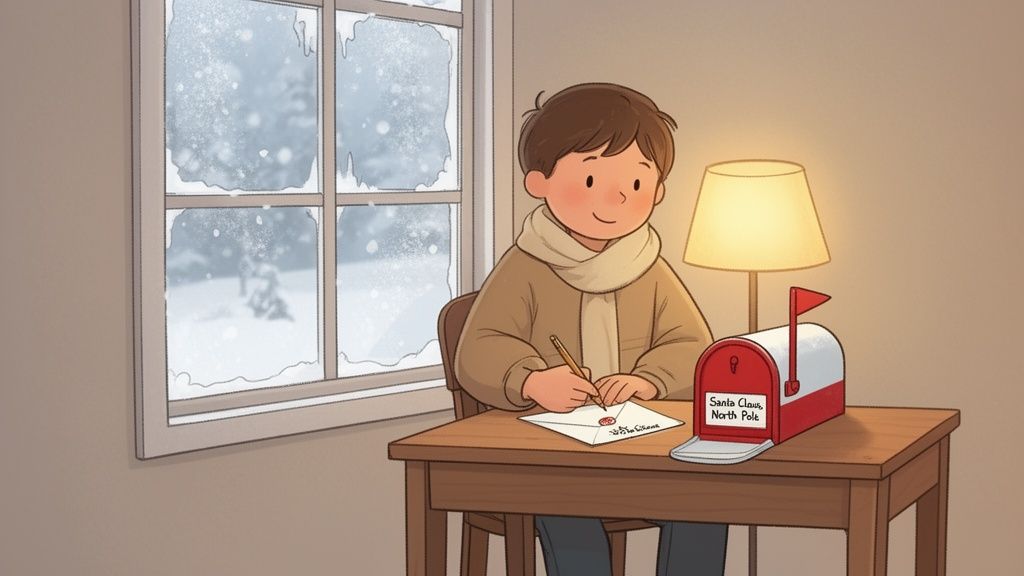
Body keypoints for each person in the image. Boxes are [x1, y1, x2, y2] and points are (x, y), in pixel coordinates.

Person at [454, 82, 727, 576]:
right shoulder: (526, 266)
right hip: (546, 454)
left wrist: (648, 380)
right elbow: (478, 349)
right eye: (590, 179)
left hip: (638, 446)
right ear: (539, 182)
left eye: (637, 184)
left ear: (657, 191)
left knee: (705, 500)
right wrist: (534, 380)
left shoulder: (649, 266)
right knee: (567, 508)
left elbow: (693, 347)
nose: (616, 197)